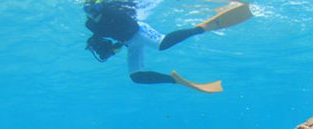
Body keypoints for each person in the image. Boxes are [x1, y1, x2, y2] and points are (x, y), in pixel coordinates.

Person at [84, 0, 251, 93]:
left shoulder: (110, 8)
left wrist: (106, 14)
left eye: (95, 6)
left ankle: (200, 29)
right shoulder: (91, 25)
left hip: (139, 31)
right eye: (88, 9)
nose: (92, 11)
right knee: (136, 77)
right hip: (129, 42)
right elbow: (107, 38)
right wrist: (108, 49)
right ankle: (174, 80)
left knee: (162, 44)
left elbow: (127, 23)